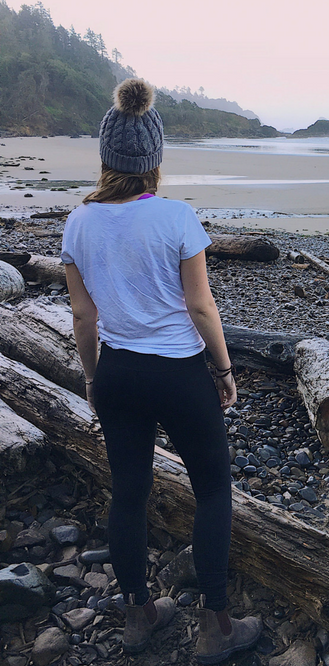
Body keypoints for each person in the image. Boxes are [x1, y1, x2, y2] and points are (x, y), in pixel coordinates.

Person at [61, 78, 261, 663]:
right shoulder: (176, 217)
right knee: (213, 487)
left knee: (128, 493)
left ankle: (138, 615)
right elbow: (200, 306)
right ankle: (216, 624)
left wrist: (95, 379)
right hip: (177, 373)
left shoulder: (80, 222)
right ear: (154, 157)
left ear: (106, 155)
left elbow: (82, 316)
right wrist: (223, 370)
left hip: (119, 372)